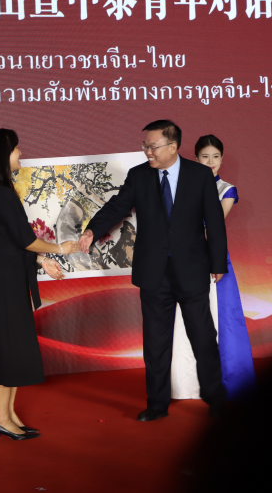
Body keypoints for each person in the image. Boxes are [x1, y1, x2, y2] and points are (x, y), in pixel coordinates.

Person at [78, 120, 228, 421]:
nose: (147, 151)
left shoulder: (199, 175)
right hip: (154, 273)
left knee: (203, 337)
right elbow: (117, 206)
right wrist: (93, 230)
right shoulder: (139, 175)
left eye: (153, 146)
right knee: (156, 343)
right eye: (145, 146)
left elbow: (214, 220)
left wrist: (217, 263)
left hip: (192, 270)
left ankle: (215, 397)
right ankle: (157, 405)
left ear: (173, 147)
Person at [0, 129, 78, 440]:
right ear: (2, 155)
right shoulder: (2, 194)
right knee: (7, 347)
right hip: (5, 281)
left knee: (9, 347)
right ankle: (1, 418)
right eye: (16, 149)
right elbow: (25, 239)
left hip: (3, 276)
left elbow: (8, 241)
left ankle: (6, 416)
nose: (20, 154)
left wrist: (40, 260)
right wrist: (59, 249)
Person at [171, 135, 256, 400]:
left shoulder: (226, 189)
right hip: (183, 259)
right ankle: (185, 385)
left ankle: (225, 380)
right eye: (205, 157)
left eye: (216, 157)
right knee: (184, 318)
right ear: (195, 158)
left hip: (211, 259)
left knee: (221, 318)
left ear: (222, 158)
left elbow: (213, 227)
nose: (211, 162)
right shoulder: (181, 187)